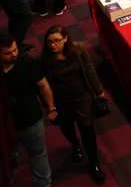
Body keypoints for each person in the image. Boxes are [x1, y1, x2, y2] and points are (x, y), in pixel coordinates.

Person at [41, 26, 106, 183]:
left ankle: (94, 163)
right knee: (66, 126)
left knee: (87, 130)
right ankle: (75, 145)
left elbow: (89, 70)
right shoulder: (44, 59)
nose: (53, 45)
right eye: (49, 42)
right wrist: (50, 108)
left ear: (65, 39)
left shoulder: (78, 50)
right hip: (61, 100)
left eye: (57, 40)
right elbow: (43, 86)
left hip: (82, 97)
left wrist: (99, 90)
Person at [1, 34, 55, 187]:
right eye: (8, 53)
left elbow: (43, 85)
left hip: (31, 120)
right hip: (5, 125)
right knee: (8, 155)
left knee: (37, 154)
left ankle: (44, 184)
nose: (14, 54)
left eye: (15, 50)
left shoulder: (27, 63)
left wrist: (51, 107)